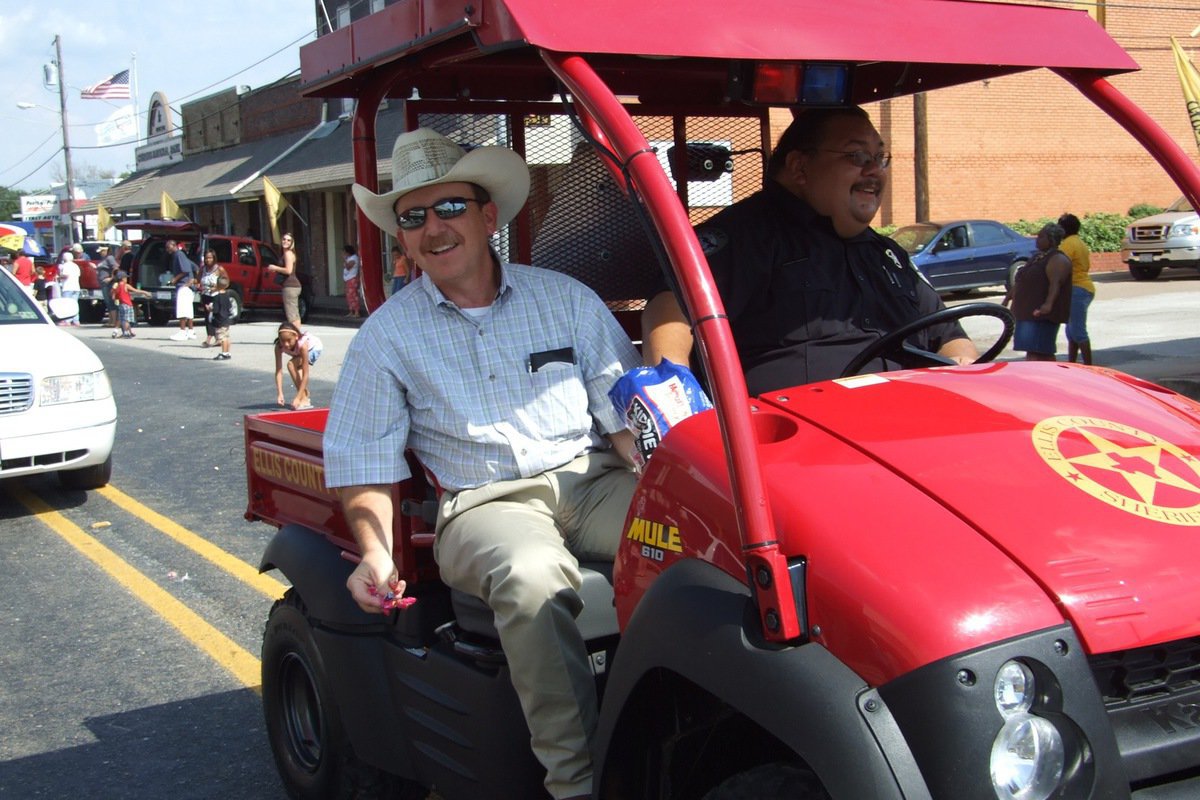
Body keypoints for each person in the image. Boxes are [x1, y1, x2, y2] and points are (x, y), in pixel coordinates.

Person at [324, 128, 640, 800]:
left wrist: (676, 492)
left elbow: (623, 423)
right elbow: (364, 464)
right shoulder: (386, 337)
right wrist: (376, 555)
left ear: (487, 215)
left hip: (589, 481)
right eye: (413, 218)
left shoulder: (566, 299)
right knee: (531, 577)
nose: (433, 228)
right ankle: (577, 784)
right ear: (402, 241)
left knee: (695, 537)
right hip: (485, 505)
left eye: (449, 209)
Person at [643, 106, 977, 394]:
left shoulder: (887, 255)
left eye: (879, 157)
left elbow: (949, 334)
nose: (874, 170)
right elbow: (671, 314)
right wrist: (673, 401)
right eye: (857, 156)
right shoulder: (747, 237)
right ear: (800, 168)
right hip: (794, 447)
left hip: (909, 429)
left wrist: (963, 361)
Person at [1003, 222, 1072, 361]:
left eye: (1041, 237)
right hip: (1026, 312)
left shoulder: (1057, 259)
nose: (1037, 240)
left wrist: (1048, 304)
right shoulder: (1036, 257)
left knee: (1041, 352)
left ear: (1051, 239)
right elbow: (1021, 280)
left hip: (1040, 315)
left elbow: (1055, 284)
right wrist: (1008, 298)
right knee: (1031, 351)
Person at [1058, 213, 1095, 365]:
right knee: (1071, 331)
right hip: (1083, 287)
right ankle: (1072, 364)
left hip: (1076, 288)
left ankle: (1088, 366)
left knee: (1078, 331)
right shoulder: (1078, 242)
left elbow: (1061, 266)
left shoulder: (1067, 244)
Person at [274, 321, 322, 409]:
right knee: (295, 367)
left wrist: (298, 397)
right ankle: (304, 394)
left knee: (291, 364)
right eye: (282, 341)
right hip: (298, 352)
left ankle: (304, 399)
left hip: (314, 349)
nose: (286, 344)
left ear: (296, 337)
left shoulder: (303, 345)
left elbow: (306, 373)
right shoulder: (278, 347)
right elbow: (278, 371)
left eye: (289, 340)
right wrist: (280, 393)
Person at [165, 239, 198, 340]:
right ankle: (191, 331)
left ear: (173, 245)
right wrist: (194, 280)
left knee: (182, 309)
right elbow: (195, 267)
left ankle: (182, 332)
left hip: (183, 286)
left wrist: (174, 279)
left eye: (168, 247)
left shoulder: (178, 255)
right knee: (188, 309)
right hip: (188, 287)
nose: (167, 249)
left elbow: (185, 270)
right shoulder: (182, 255)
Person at [267, 233, 302, 326]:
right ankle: (297, 335)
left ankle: (295, 337)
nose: (286, 241)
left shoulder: (288, 253)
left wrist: (275, 268)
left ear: (292, 243)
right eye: (284, 239)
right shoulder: (288, 253)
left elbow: (288, 270)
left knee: (292, 315)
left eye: (288, 240)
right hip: (292, 286)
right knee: (294, 313)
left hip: (290, 286)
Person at [198, 248, 229, 347]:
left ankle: (215, 338)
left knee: (215, 316)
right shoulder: (203, 269)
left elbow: (226, 281)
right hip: (205, 295)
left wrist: (217, 288)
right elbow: (198, 280)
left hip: (215, 296)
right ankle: (211, 337)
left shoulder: (219, 269)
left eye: (210, 258)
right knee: (208, 317)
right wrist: (196, 284)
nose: (208, 260)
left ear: (214, 258)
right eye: (206, 258)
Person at [110, 270, 150, 339]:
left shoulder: (116, 285)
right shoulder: (126, 285)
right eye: (126, 278)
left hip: (121, 304)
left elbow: (113, 296)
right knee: (127, 320)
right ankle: (126, 333)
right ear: (122, 278)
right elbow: (136, 291)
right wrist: (145, 292)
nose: (126, 279)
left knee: (120, 318)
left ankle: (117, 331)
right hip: (127, 304)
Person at [210, 276, 235, 360]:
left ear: (217, 285)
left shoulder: (217, 297)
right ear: (227, 285)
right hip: (226, 319)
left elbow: (216, 310)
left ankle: (224, 353)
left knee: (222, 338)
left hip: (220, 319)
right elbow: (230, 306)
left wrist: (210, 308)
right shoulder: (227, 295)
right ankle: (227, 352)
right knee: (227, 336)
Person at [56, 250, 82, 326]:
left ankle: (67, 320)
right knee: (75, 304)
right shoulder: (75, 266)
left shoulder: (66, 265)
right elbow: (79, 275)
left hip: (67, 286)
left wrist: (58, 277)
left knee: (67, 304)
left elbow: (65, 275)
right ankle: (76, 320)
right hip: (76, 286)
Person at [95, 245, 118, 328]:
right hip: (103, 284)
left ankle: (114, 321)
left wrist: (111, 278)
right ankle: (110, 320)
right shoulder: (103, 259)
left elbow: (115, 268)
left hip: (108, 284)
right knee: (107, 302)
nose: (101, 253)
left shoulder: (110, 258)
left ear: (106, 250)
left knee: (110, 302)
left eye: (102, 251)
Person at [342, 244, 362, 317]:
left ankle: (357, 311)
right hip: (348, 278)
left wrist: (345, 259)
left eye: (344, 252)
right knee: (348, 295)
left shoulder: (354, 258)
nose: (343, 254)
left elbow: (348, 267)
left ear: (348, 252)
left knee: (353, 295)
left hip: (352, 279)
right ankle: (351, 311)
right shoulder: (349, 258)